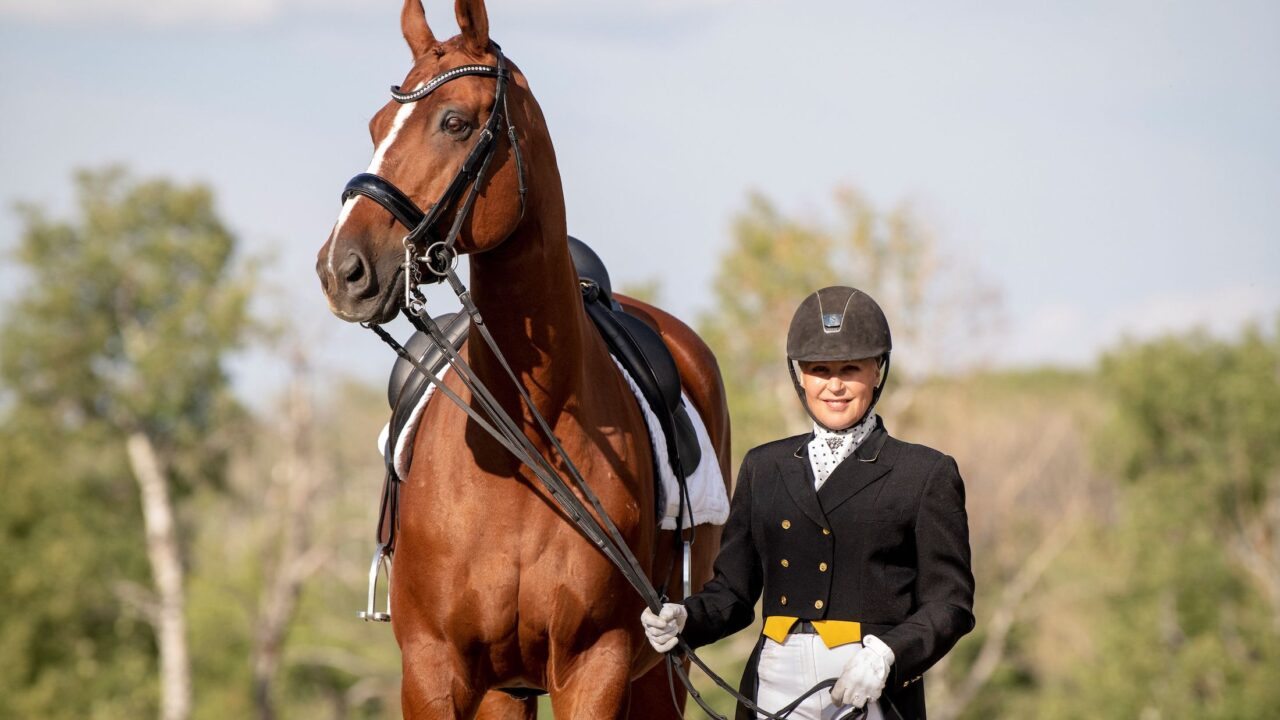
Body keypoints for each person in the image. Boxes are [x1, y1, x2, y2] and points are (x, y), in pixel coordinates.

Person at [641, 286, 975, 720]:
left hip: (867, 677)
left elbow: (950, 603)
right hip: (776, 677)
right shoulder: (764, 466)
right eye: (819, 369)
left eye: (850, 368)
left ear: (877, 371)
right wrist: (687, 617)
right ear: (800, 376)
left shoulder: (924, 472)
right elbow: (735, 592)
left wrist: (888, 656)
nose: (834, 385)